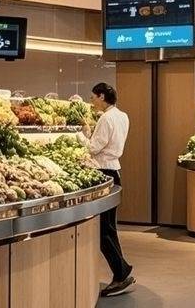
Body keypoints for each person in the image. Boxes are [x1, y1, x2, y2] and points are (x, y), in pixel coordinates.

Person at [77, 83, 135, 297]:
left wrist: (82, 136)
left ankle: (121, 272)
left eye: (93, 97)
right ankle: (122, 271)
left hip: (102, 171)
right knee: (109, 227)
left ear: (102, 96)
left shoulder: (105, 118)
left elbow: (94, 148)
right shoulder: (123, 116)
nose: (92, 101)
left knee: (102, 230)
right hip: (115, 172)